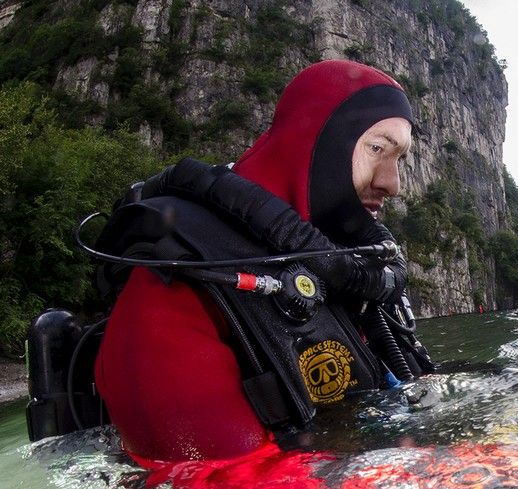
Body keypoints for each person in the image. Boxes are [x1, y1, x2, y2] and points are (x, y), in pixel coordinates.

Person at [94, 60, 419, 466]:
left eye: (399, 158)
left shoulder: (336, 264)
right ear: (316, 142)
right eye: (377, 149)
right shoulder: (177, 280)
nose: (392, 183)